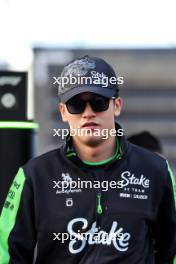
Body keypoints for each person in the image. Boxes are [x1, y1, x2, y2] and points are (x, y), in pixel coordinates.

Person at [0, 55, 175, 264]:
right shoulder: (34, 176)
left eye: (98, 102)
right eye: (76, 104)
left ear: (116, 105)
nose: (88, 113)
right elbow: (8, 254)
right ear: (63, 112)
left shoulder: (156, 171)